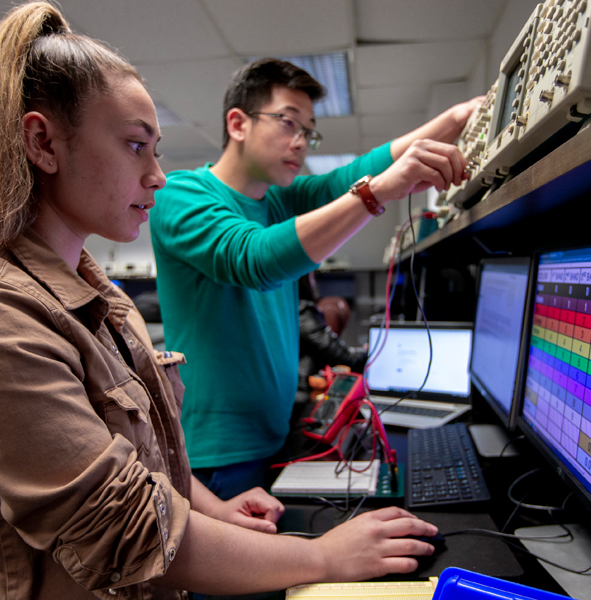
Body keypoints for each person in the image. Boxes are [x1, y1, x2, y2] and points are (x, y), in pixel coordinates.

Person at [0, 3, 439, 598]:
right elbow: (128, 531)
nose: (158, 175)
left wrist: (214, 511)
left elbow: (130, 464)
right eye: (136, 146)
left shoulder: (100, 297)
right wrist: (320, 557)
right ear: (42, 143)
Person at [150, 58, 483, 499]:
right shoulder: (180, 192)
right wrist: (377, 191)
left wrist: (457, 118)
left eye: (308, 130)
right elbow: (255, 260)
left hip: (277, 432)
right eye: (289, 123)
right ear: (238, 123)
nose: (301, 142)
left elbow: (355, 172)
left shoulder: (278, 199)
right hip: (219, 455)